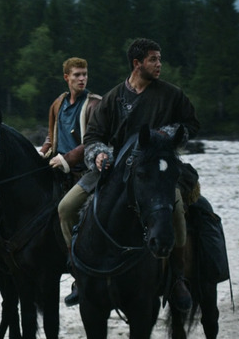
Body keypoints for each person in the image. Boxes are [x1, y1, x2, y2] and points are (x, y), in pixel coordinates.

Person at [81, 38, 200, 313]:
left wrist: (167, 135)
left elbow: (191, 124)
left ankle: (177, 277)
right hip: (116, 169)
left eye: (159, 59)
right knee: (67, 208)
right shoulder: (112, 98)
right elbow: (93, 136)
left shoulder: (172, 95)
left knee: (177, 211)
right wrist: (98, 154)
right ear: (137, 64)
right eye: (153, 59)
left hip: (158, 170)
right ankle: (81, 273)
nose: (159, 64)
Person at [38, 58, 102, 306]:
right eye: (76, 75)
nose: (82, 79)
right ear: (66, 77)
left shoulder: (95, 104)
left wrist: (66, 159)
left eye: (84, 74)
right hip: (58, 167)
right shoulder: (58, 104)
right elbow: (50, 136)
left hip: (87, 171)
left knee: (65, 209)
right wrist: (42, 152)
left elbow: (96, 139)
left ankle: (78, 270)